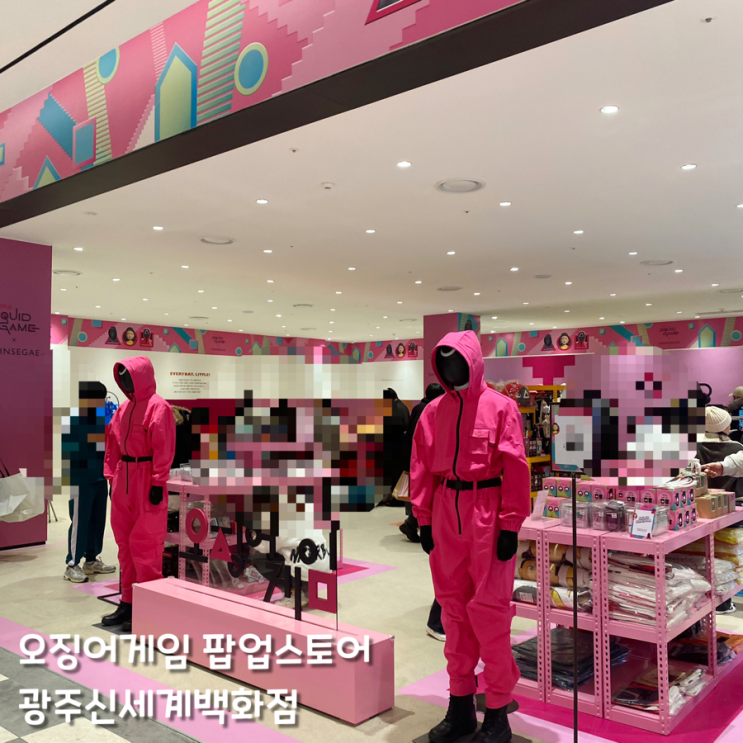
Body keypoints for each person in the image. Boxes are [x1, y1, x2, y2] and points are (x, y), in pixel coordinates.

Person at [412, 331, 531, 743]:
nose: (450, 368)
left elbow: (515, 465)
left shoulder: (501, 407)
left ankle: (497, 711)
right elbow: (421, 466)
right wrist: (424, 518)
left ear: (473, 361)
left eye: (457, 360)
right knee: (453, 612)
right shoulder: (432, 412)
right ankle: (460, 704)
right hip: (446, 509)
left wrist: (511, 524)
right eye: (443, 361)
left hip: (488, 512)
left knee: (490, 613)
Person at [102, 357, 175, 631]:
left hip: (146, 479)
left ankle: (148, 606)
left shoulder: (159, 407)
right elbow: (112, 444)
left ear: (141, 375)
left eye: (129, 374)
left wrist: (158, 481)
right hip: (124, 477)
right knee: (124, 545)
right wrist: (111, 477)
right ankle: (128, 602)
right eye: (121, 375)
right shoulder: (123, 408)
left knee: (146, 546)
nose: (125, 380)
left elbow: (164, 446)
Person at [399, 382, 446, 643]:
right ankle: (438, 620)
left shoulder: (421, 409)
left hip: (435, 489)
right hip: (441, 495)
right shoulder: (432, 412)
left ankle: (411, 521)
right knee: (449, 567)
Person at [63, 382, 116, 583]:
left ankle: (91, 560)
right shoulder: (75, 420)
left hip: (100, 478)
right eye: (100, 399)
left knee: (97, 520)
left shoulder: (104, 419)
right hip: (81, 479)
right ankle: (72, 564)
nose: (103, 402)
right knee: (80, 521)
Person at [699, 405, 743, 616]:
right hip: (733, 510)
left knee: (701, 555)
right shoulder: (737, 447)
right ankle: (725, 601)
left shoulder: (690, 447)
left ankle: (704, 599)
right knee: (729, 555)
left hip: (699, 512)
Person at [400, 383, 445, 542]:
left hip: (414, 455)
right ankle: (411, 524)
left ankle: (412, 523)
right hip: (421, 457)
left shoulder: (420, 407)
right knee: (425, 493)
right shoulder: (428, 409)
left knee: (424, 493)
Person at [378, 388, 410, 507]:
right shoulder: (403, 406)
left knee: (394, 472)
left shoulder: (393, 408)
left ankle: (396, 498)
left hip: (394, 446)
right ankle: (397, 496)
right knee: (398, 471)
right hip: (401, 445)